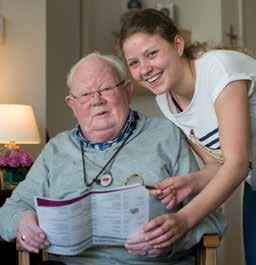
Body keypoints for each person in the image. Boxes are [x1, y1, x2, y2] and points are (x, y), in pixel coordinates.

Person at [0, 52, 225, 265]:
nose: (96, 101)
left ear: (127, 91)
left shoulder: (166, 136)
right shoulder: (57, 149)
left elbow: (212, 218)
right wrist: (22, 222)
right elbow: (11, 210)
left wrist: (172, 239)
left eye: (106, 89)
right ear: (72, 105)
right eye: (86, 94)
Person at [119, 8, 256, 265]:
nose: (144, 69)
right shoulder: (166, 100)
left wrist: (183, 220)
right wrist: (191, 182)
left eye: (152, 54)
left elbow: (237, 165)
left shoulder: (218, 69)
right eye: (134, 63)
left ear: (178, 44)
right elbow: (218, 164)